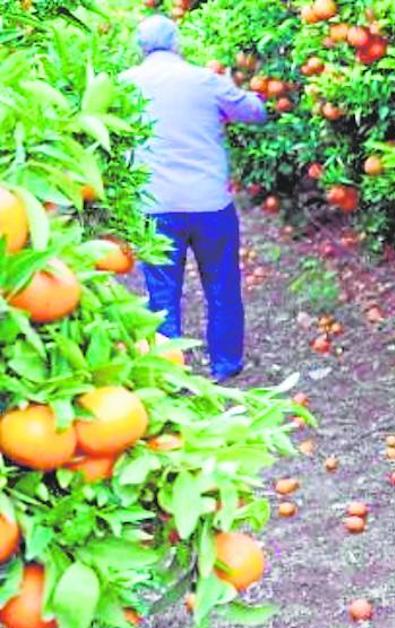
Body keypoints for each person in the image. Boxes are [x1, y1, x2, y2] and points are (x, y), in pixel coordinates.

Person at [121, 15, 267, 383]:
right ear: (177, 44)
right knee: (221, 285)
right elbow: (256, 112)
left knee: (162, 292)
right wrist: (237, 95)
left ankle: (171, 374)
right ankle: (226, 364)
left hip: (154, 206)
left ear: (140, 47)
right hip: (209, 204)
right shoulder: (205, 80)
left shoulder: (123, 86)